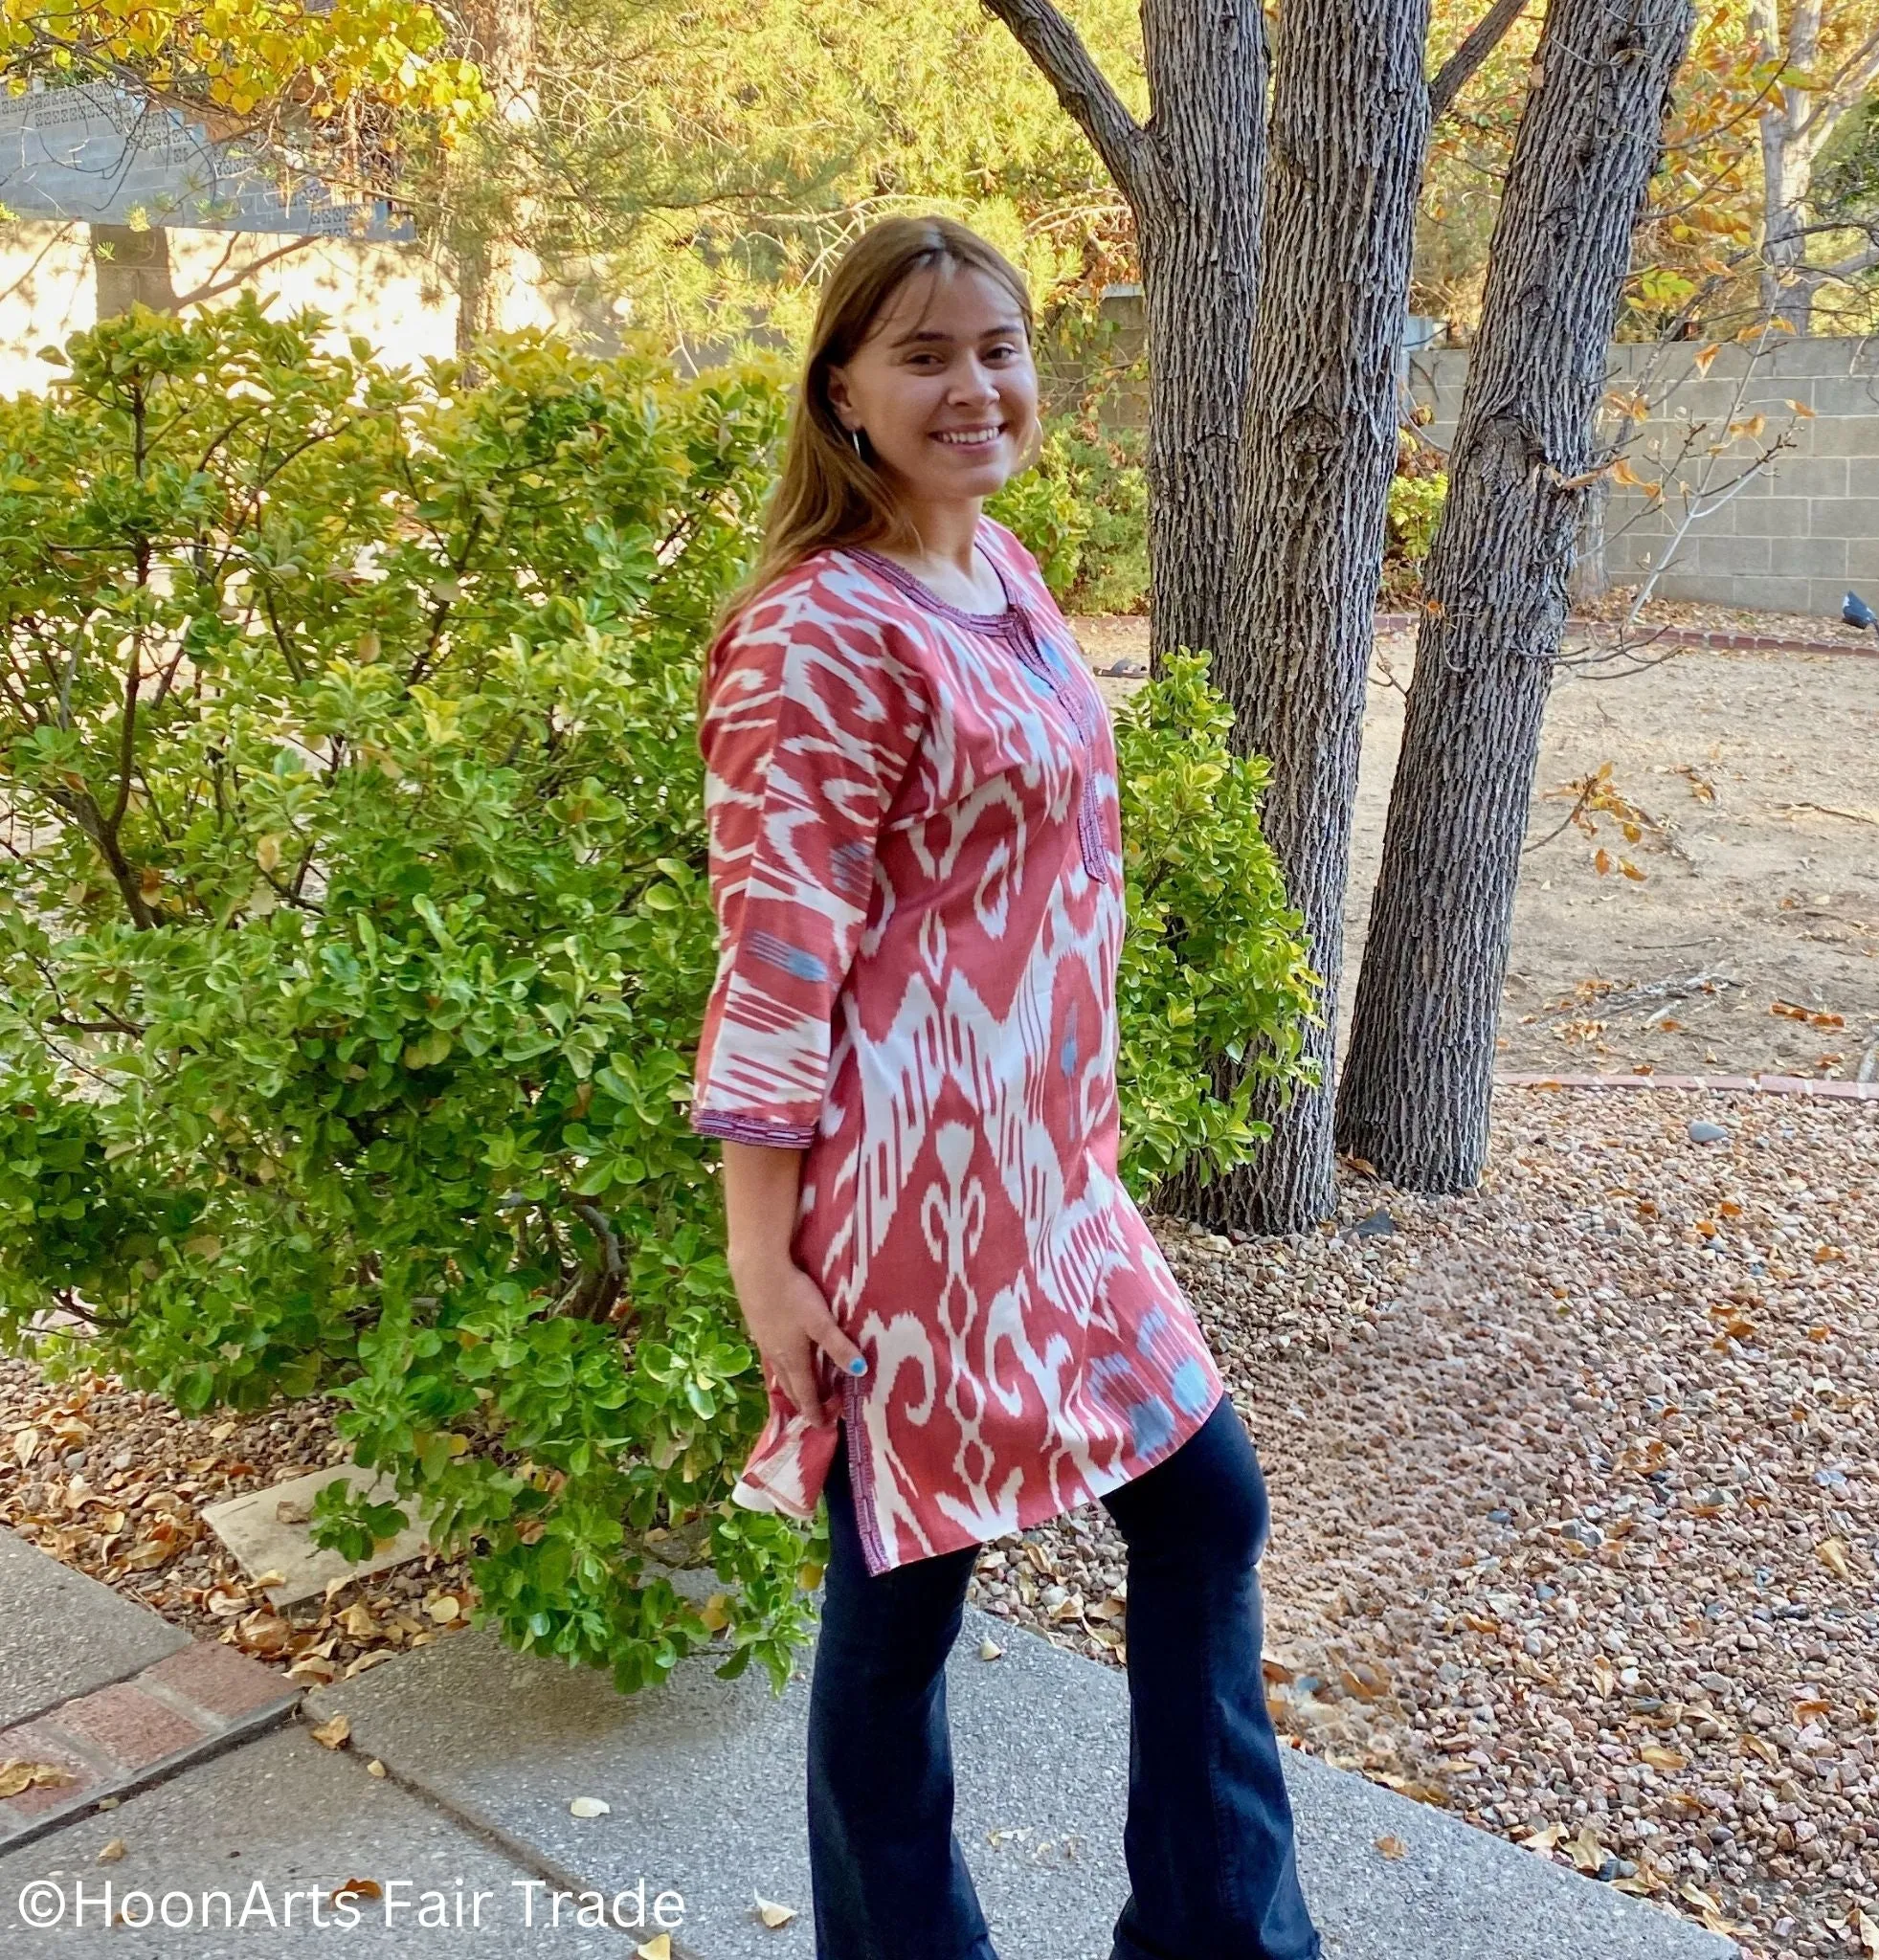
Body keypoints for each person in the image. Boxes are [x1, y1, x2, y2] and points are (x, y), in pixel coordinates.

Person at [688, 212, 1322, 1960]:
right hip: (908, 1204)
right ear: (843, 392)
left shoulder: (1004, 567)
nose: (975, 386)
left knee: (1202, 1505)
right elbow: (778, 958)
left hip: (1053, 1181)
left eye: (998, 347)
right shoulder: (811, 634)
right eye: (924, 354)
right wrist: (768, 1259)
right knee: (903, 1600)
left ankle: (1217, 1937)